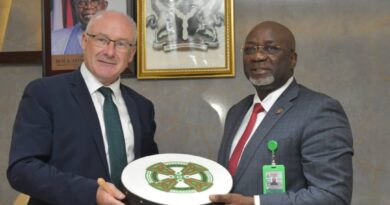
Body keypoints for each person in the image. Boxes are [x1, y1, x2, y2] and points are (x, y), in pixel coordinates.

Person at [8, 11, 158, 205]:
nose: (110, 52)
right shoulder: (44, 94)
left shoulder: (142, 107)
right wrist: (92, 194)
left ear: (131, 54)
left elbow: (147, 171)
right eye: (102, 40)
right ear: (84, 41)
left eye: (121, 44)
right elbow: (22, 169)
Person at [209, 21, 353, 205]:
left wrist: (255, 203)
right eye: (250, 49)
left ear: (292, 59)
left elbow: (332, 197)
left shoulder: (320, 110)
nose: (258, 56)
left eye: (271, 49)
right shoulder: (237, 112)